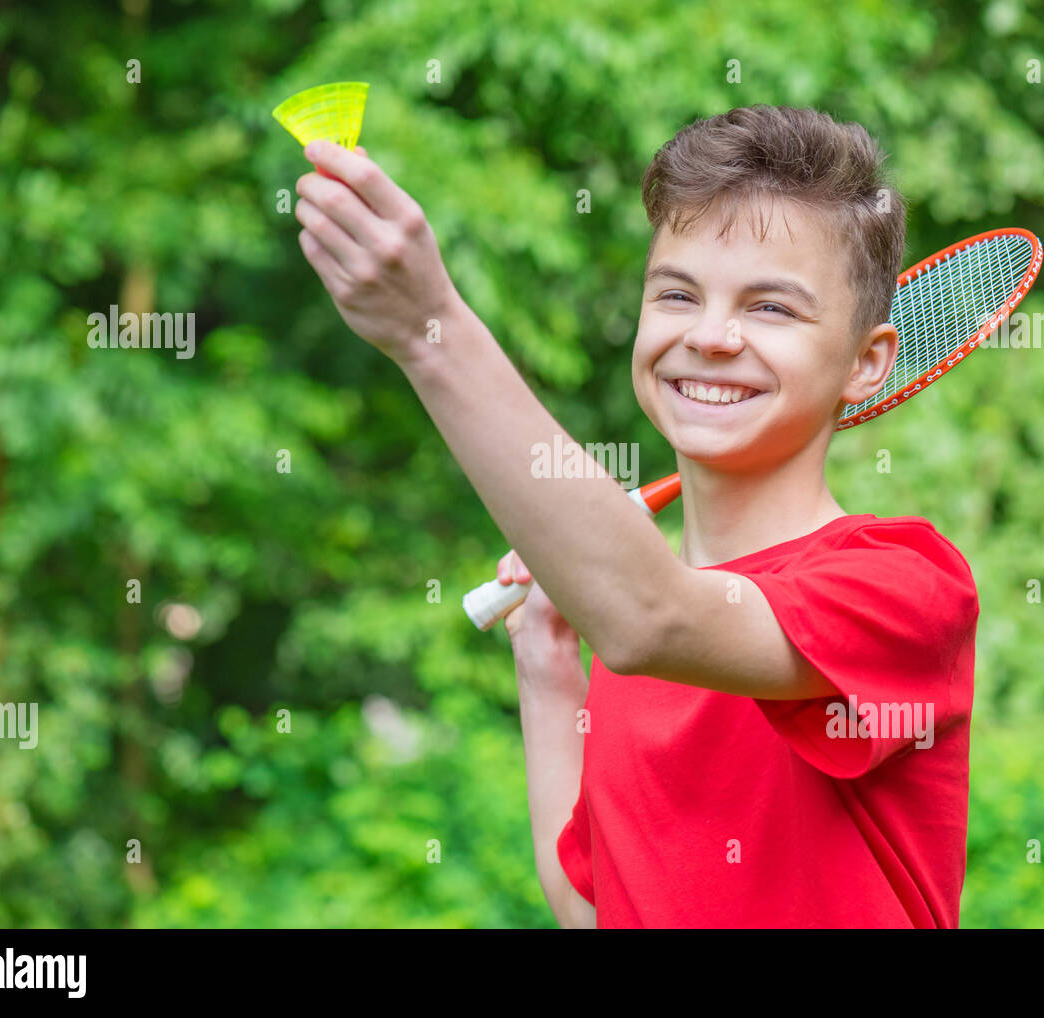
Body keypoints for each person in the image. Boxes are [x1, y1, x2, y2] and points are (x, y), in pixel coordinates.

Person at [294, 104, 979, 929]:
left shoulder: (904, 583)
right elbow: (595, 908)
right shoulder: (631, 633)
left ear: (867, 362)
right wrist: (547, 658)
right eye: (678, 294)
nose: (712, 336)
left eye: (770, 308)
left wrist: (429, 333)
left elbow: (654, 617)